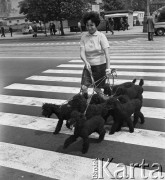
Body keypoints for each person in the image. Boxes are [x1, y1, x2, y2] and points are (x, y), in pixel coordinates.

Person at [80, 11, 111, 96]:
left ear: (96, 25)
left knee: (97, 89)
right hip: (88, 67)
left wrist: (108, 68)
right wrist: (86, 62)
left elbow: (107, 55)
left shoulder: (101, 36)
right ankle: (84, 103)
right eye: (87, 25)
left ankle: (103, 103)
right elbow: (82, 53)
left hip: (100, 67)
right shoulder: (83, 37)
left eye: (91, 25)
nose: (89, 28)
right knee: (84, 87)